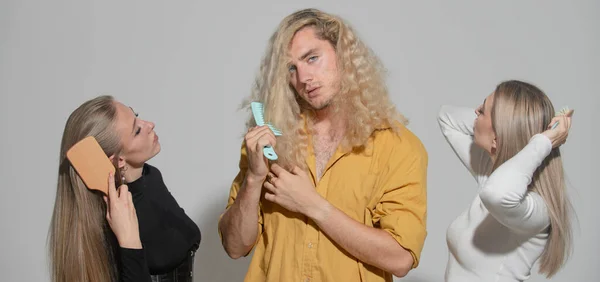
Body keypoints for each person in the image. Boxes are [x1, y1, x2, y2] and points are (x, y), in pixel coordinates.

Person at [218, 8, 428, 282]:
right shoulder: (269, 141)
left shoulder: (398, 146)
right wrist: (255, 179)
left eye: (312, 58)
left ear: (344, 54)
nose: (303, 78)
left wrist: (312, 205)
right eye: (291, 68)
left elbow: (400, 258)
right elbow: (235, 246)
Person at [48, 95, 201, 282]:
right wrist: (129, 243)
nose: (150, 124)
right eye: (137, 130)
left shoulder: (151, 177)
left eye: (137, 115)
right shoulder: (115, 219)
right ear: (118, 160)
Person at [437, 80, 574, 281]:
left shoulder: (537, 209)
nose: (475, 111)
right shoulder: (491, 174)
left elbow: (496, 194)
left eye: (482, 111)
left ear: (497, 138)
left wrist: (545, 140)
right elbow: (446, 116)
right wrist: (505, 129)